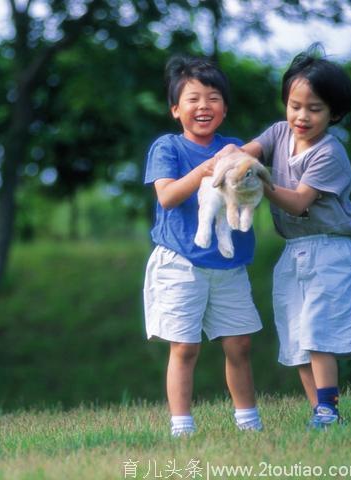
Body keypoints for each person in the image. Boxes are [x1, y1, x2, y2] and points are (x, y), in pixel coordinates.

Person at [220, 45, 351, 429]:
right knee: (298, 337)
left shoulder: (329, 153)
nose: (301, 116)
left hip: (332, 249)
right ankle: (320, 412)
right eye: (294, 105)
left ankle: (328, 408)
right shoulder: (278, 133)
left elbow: (299, 202)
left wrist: (261, 181)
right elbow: (247, 153)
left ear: (334, 114)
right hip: (295, 250)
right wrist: (232, 159)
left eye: (314, 109)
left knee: (319, 332)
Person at [143, 56, 263, 437]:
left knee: (240, 344)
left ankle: (249, 423)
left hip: (229, 263)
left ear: (224, 109)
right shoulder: (168, 148)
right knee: (185, 347)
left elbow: (254, 180)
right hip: (181, 262)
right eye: (193, 99)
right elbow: (167, 197)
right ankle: (182, 427)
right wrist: (205, 169)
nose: (203, 106)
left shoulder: (235, 148)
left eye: (213, 98)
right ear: (175, 109)